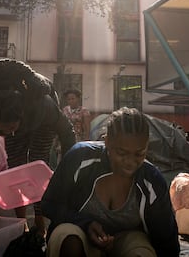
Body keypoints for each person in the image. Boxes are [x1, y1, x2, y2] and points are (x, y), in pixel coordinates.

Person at [41, 107, 180, 257]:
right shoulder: (79, 159)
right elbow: (50, 204)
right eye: (122, 153)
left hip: (129, 238)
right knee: (68, 241)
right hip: (80, 232)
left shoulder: (152, 181)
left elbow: (166, 239)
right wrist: (85, 224)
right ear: (107, 142)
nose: (130, 162)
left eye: (139, 154)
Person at [0, 59, 76, 234]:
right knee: (16, 167)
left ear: (20, 118)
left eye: (11, 128)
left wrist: (67, 173)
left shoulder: (43, 105)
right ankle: (22, 224)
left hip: (41, 119)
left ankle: (40, 221)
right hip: (19, 117)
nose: (8, 132)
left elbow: (68, 134)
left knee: (39, 162)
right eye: (2, 130)